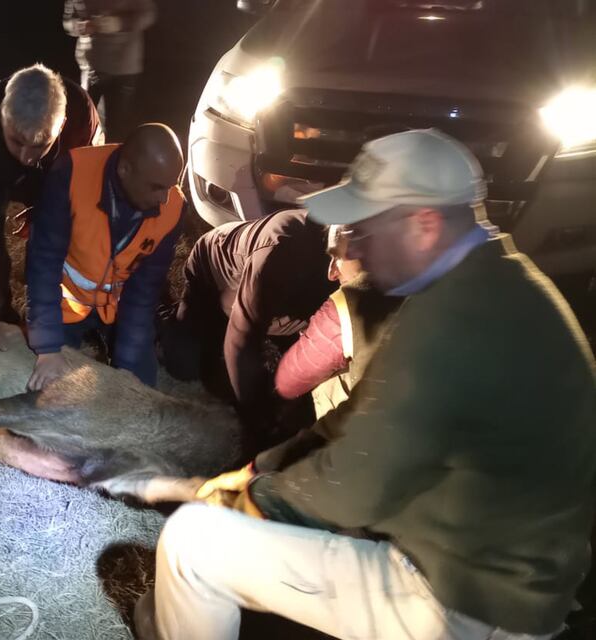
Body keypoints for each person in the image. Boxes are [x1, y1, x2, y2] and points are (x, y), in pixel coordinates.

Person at [135, 129, 596, 640]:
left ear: (424, 224)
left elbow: (352, 485)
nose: (354, 248)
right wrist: (259, 466)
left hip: (461, 603)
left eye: (364, 230)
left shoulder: (450, 319)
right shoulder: (504, 279)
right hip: (514, 583)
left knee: (192, 541)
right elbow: (359, 418)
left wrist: (253, 498)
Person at [0, 65, 102, 363]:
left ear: (62, 124)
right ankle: (1, 316)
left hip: (59, 154)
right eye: (18, 142)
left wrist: (42, 207)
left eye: (39, 144)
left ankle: (71, 307)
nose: (28, 157)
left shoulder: (82, 120)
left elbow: (86, 194)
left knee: (69, 220)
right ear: (3, 117)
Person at [157, 209, 334, 449]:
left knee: (291, 390)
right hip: (216, 276)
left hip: (282, 304)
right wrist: (260, 426)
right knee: (184, 365)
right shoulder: (282, 250)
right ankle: (168, 317)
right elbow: (240, 340)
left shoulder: (376, 265)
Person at [25, 123, 184, 390]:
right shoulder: (71, 174)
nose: (165, 198)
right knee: (48, 385)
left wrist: (129, 367)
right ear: (125, 171)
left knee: (140, 386)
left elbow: (143, 291)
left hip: (117, 308)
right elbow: (43, 263)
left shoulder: (173, 209)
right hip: (66, 305)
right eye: (157, 187)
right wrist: (48, 347)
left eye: (172, 185)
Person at [274, 225, 402, 419]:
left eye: (338, 257)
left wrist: (312, 335)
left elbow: (290, 380)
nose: (332, 272)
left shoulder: (350, 303)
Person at [63, 0, 157, 141]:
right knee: (83, 122)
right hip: (90, 66)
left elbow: (148, 14)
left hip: (124, 67)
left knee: (117, 127)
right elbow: (68, 20)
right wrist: (78, 26)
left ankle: (112, 160)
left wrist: (119, 23)